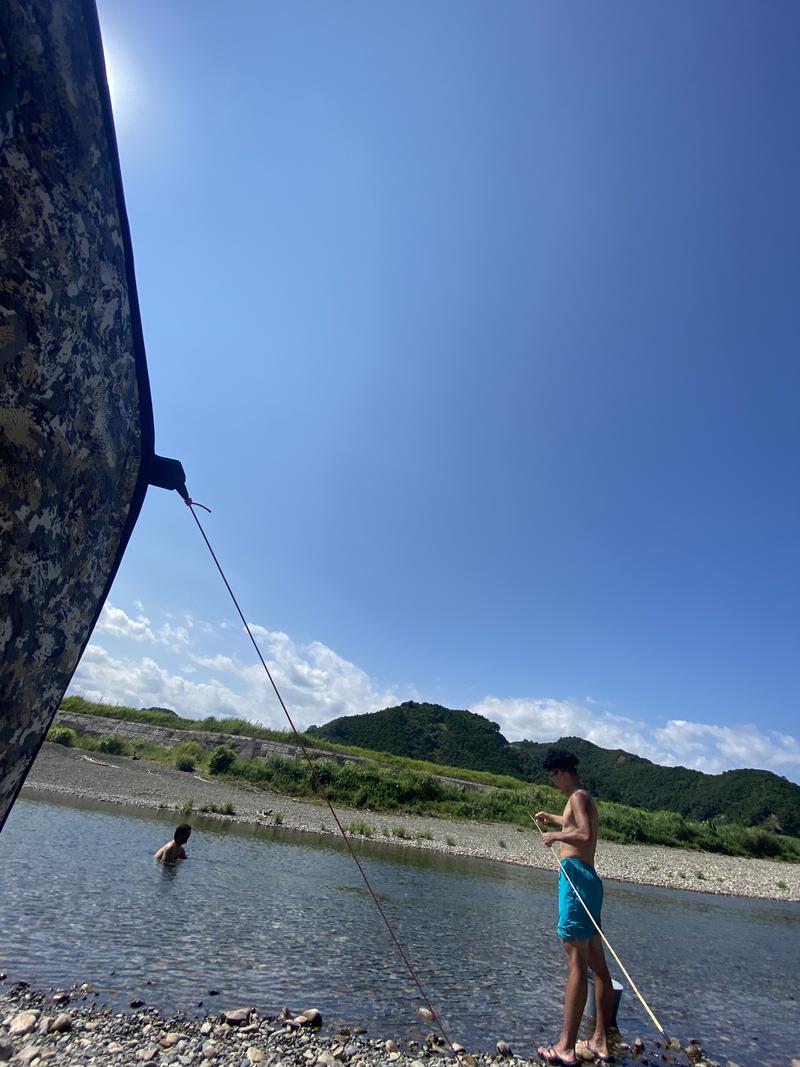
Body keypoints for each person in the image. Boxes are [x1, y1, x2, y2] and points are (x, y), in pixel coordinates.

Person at [535, 749, 614, 1066]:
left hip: (577, 881)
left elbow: (583, 834)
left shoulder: (578, 797)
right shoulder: (582, 798)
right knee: (597, 965)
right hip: (589, 882)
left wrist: (554, 835)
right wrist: (553, 818)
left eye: (552, 775)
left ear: (561, 772)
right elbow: (577, 824)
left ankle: (565, 1048)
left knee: (576, 965)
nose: (552, 781)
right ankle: (600, 1041)